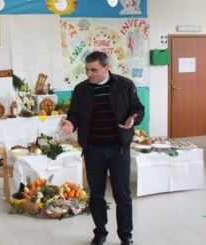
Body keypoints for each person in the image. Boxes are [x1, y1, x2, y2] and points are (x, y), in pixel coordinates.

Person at [61, 51, 144, 245]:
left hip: (119, 150)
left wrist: (134, 119)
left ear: (107, 67)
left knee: (122, 195)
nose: (89, 74)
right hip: (93, 150)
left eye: (94, 70)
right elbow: (74, 114)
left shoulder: (124, 85)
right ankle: (100, 233)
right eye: (87, 70)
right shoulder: (81, 89)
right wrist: (70, 124)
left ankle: (126, 236)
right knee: (96, 194)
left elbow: (138, 109)